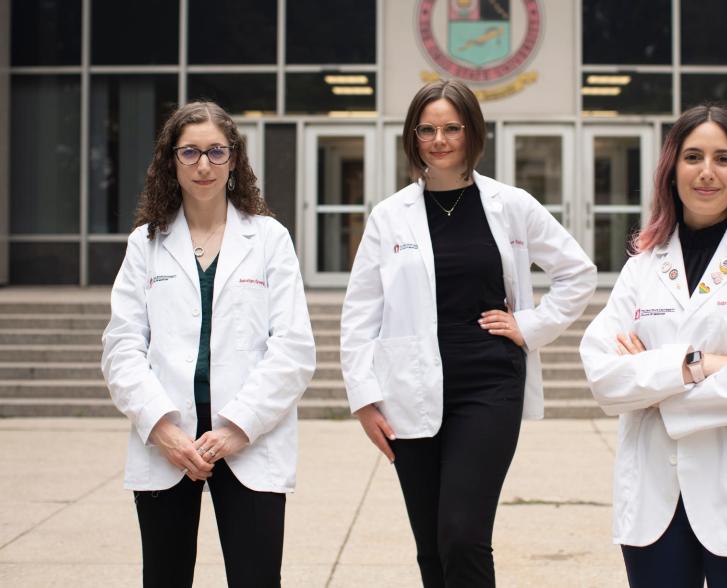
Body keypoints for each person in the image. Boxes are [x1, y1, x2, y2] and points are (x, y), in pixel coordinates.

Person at [340, 79, 597, 587]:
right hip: (408, 390)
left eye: (451, 128)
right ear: (413, 137)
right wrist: (364, 399)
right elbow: (359, 314)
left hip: (488, 384)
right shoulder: (389, 217)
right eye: (427, 129)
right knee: (431, 545)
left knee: (462, 532)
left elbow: (578, 273)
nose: (439, 140)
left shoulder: (511, 204)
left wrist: (529, 325)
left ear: (472, 132)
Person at [579, 104, 727, 588]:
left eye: (723, 158)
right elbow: (602, 378)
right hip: (656, 504)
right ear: (671, 169)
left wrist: (654, 382)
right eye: (693, 157)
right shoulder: (644, 265)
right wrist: (696, 364)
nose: (707, 172)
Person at [101, 101, 316, 588]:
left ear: (235, 159)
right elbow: (121, 348)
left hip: (247, 442)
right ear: (170, 160)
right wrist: (162, 429)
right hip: (168, 444)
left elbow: (294, 348)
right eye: (190, 152)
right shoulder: (146, 243)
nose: (204, 165)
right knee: (164, 577)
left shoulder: (269, 239)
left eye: (217, 152)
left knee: (257, 579)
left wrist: (238, 428)